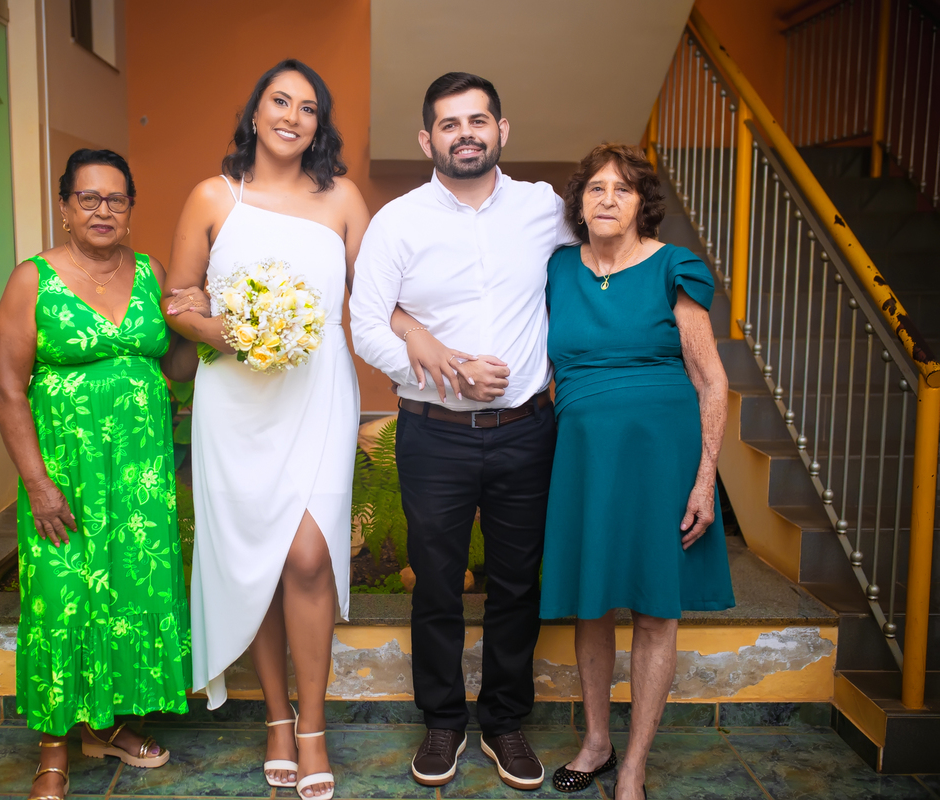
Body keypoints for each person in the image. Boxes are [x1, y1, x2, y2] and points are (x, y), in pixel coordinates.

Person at [350, 72, 578, 792]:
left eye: (478, 120)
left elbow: (607, 253)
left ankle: (504, 721)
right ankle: (443, 720)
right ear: (428, 140)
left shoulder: (547, 209)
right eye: (449, 124)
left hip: (526, 430)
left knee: (516, 582)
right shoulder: (397, 221)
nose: (466, 134)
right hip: (433, 433)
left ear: (501, 130)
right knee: (437, 584)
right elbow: (366, 323)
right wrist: (444, 368)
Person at [161, 60, 370, 800]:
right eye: (280, 101)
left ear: (319, 125)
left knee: (309, 556)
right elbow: (178, 300)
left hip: (319, 392)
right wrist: (231, 331)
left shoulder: (343, 198)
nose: (292, 116)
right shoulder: (213, 196)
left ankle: (314, 725)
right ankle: (279, 720)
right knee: (257, 559)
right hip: (236, 401)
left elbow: (377, 295)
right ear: (255, 113)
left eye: (308, 107)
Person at [0, 149, 206, 800]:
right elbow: (7, 389)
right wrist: (37, 483)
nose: (103, 210)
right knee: (62, 600)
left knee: (128, 599)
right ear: (65, 207)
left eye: (116, 198)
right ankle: (53, 751)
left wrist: (200, 319)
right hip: (66, 477)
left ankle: (106, 726)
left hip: (140, 479)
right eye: (88, 198)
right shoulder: (32, 280)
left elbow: (176, 367)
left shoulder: (150, 272)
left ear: (131, 208)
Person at [540, 143, 734, 800]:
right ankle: (597, 743)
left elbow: (712, 380)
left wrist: (705, 479)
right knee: (591, 606)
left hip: (662, 459)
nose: (607, 199)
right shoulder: (558, 269)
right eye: (595, 188)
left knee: (655, 611)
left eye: (621, 189)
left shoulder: (672, 267)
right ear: (579, 202)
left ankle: (634, 766)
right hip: (584, 460)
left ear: (641, 204)